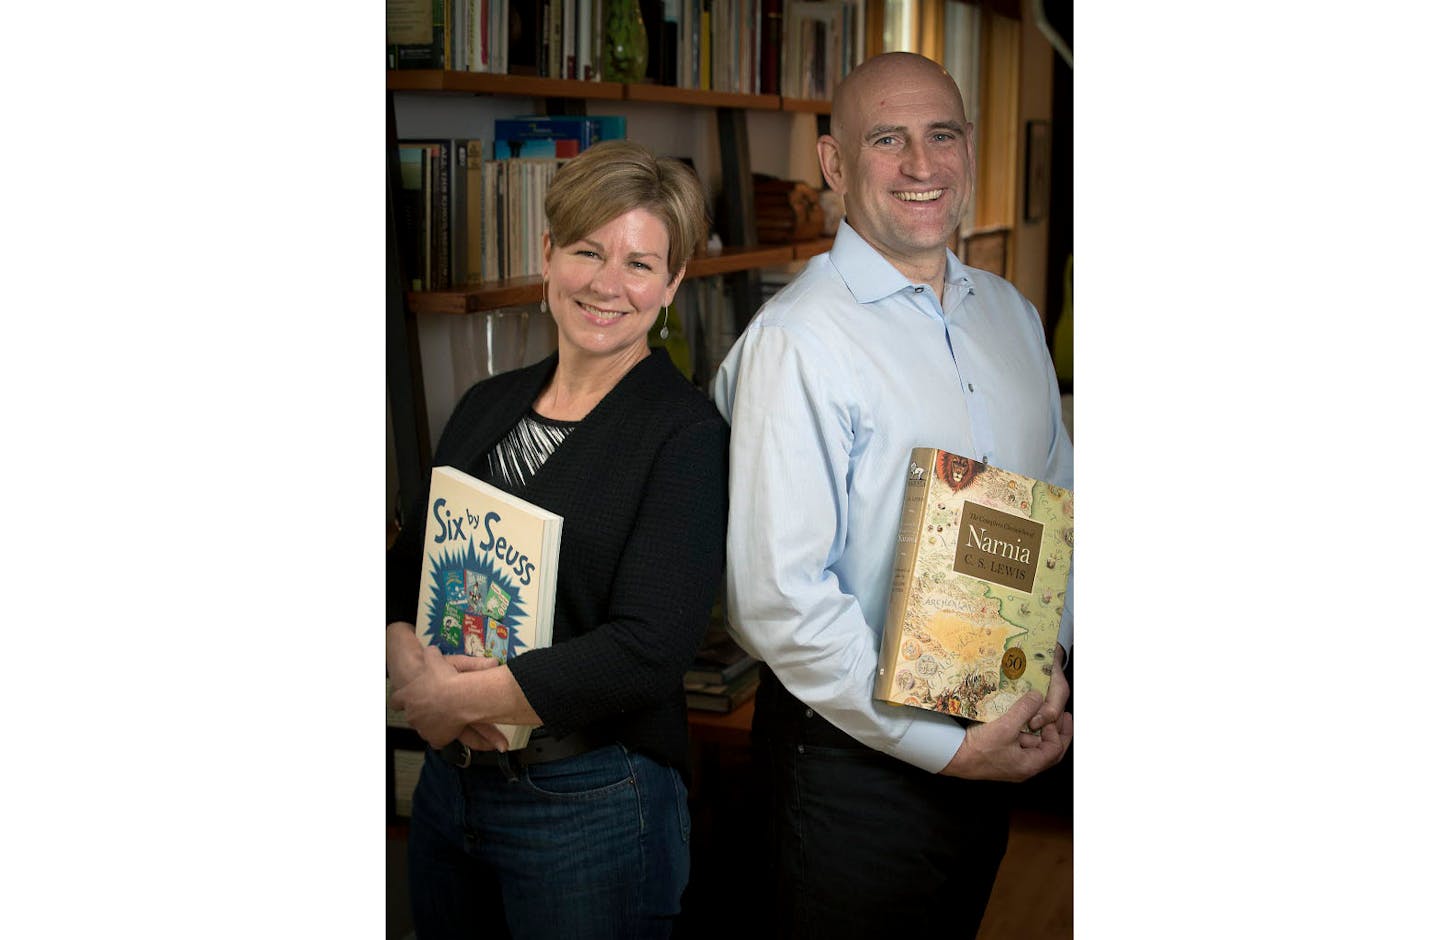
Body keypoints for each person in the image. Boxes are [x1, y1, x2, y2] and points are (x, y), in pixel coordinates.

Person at [712, 52, 1074, 938]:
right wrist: (948, 748)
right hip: (852, 779)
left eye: (941, 135)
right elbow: (777, 602)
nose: (921, 165)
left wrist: (1050, 666)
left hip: (993, 732)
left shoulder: (1011, 314)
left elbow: (1056, 498)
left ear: (967, 149)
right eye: (889, 140)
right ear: (835, 165)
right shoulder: (796, 342)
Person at [385, 139, 727, 939]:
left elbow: (648, 647)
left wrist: (456, 699)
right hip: (450, 788)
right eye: (587, 251)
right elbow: (406, 577)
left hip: (590, 807)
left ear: (672, 283)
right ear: (548, 254)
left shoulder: (683, 434)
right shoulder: (484, 404)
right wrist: (404, 658)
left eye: (642, 264)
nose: (610, 285)